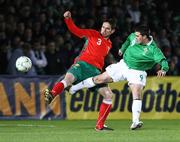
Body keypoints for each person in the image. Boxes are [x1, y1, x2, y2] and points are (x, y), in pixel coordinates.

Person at [69, 25, 169, 130]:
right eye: (135, 35)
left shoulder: (153, 49)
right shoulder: (133, 37)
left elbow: (163, 60)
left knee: (137, 92)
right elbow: (128, 40)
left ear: (145, 37)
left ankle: (135, 122)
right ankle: (73, 89)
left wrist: (164, 69)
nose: (135, 37)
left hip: (137, 71)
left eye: (138, 36)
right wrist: (122, 48)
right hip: (123, 65)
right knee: (99, 79)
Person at [44, 11, 116, 131]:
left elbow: (100, 56)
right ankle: (52, 94)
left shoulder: (110, 44)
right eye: (103, 27)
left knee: (108, 95)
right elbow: (75, 30)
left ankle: (100, 125)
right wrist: (68, 19)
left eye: (107, 29)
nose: (104, 30)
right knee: (68, 79)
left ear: (112, 31)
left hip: (95, 72)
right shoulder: (93, 34)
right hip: (82, 65)